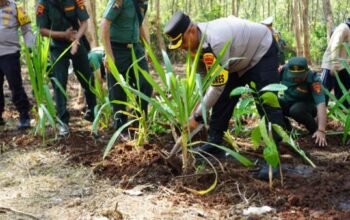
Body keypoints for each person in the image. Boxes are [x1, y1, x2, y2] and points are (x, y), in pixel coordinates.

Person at [164, 11, 286, 179]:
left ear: (192, 31)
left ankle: (274, 159)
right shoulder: (196, 45)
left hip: (260, 52)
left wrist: (197, 117)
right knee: (223, 99)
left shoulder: (215, 42)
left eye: (183, 42)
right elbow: (204, 80)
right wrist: (194, 107)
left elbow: (216, 87)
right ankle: (215, 143)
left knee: (266, 103)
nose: (183, 48)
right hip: (235, 60)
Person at [36, 0, 97, 136]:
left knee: (87, 78)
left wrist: (75, 39)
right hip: (57, 46)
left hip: (77, 40)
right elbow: (42, 30)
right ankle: (63, 122)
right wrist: (63, 35)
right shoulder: (43, 3)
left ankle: (93, 112)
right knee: (60, 82)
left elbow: (84, 22)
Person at [101, 0, 152, 131]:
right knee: (118, 91)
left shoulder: (143, 3)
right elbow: (105, 25)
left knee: (145, 84)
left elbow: (139, 25)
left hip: (136, 49)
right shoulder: (120, 1)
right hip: (116, 50)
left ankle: (139, 122)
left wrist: (148, 48)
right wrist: (108, 53)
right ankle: (120, 129)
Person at [0, 0, 34, 129]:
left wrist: (31, 48)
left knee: (15, 85)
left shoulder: (17, 8)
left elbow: (26, 29)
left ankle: (24, 115)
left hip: (10, 54)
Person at [279, 57, 327, 147]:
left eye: (299, 77)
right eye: (293, 77)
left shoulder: (314, 79)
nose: (296, 79)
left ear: (306, 71)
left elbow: (321, 104)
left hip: (307, 107)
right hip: (288, 102)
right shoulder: (283, 70)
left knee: (296, 110)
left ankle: (314, 131)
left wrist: (321, 130)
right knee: (273, 103)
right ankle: (286, 129)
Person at [321, 17, 350, 108]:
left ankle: (343, 115)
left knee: (344, 91)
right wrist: (334, 64)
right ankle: (318, 115)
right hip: (331, 65)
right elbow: (335, 45)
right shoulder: (343, 28)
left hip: (342, 66)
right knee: (324, 90)